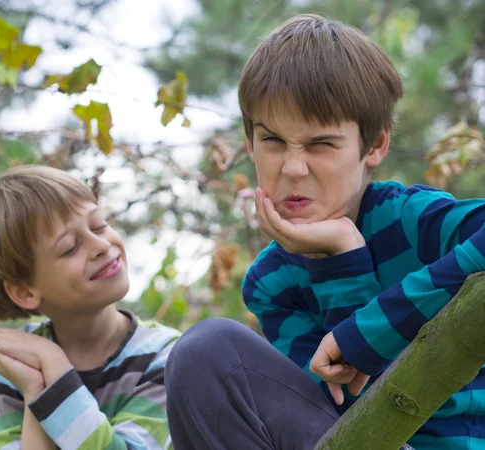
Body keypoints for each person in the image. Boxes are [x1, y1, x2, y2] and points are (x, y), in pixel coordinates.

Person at [164, 13, 485, 450]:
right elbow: (347, 422)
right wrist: (343, 264)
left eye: (321, 144)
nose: (293, 169)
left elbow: (396, 405)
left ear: (374, 147)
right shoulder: (271, 283)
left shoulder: (414, 221)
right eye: (273, 140)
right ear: (249, 144)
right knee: (208, 352)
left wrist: (366, 330)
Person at [0, 165, 180, 449]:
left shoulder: (168, 357)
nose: (100, 245)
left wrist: (52, 363)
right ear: (24, 291)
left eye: (99, 225)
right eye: (70, 247)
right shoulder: (9, 369)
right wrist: (36, 388)